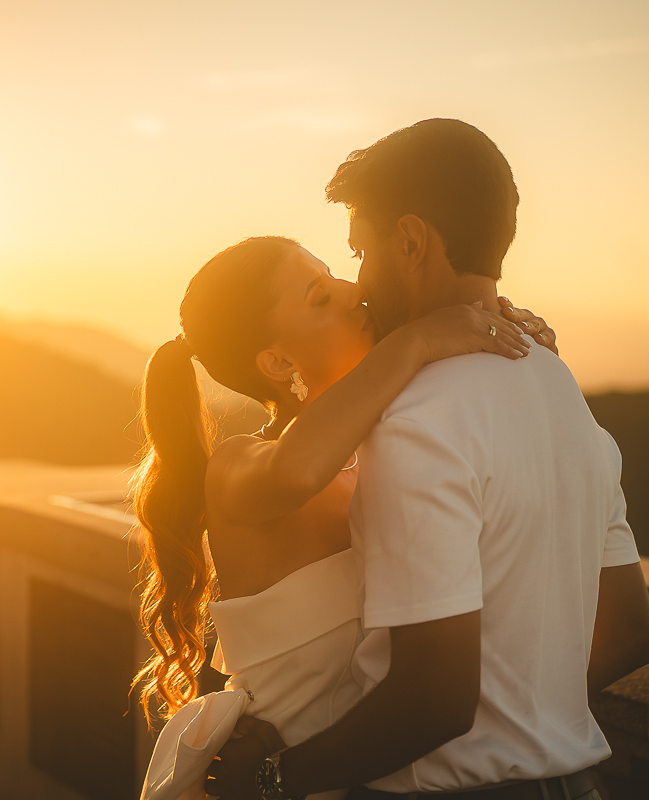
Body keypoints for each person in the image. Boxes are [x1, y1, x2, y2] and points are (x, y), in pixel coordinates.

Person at [205, 119, 649, 800]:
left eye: (355, 256)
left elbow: (437, 702)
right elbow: (627, 636)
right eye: (324, 289)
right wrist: (530, 721)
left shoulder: (417, 425)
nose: (357, 286)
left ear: (411, 241)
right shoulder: (559, 388)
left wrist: (272, 780)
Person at [134, 230, 558, 800]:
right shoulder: (240, 466)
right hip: (275, 781)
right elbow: (299, 470)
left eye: (335, 274)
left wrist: (512, 343)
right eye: (319, 295)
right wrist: (414, 342)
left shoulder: (390, 454)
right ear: (277, 360)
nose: (353, 290)